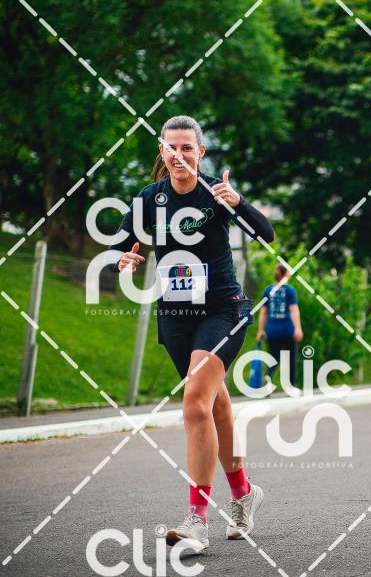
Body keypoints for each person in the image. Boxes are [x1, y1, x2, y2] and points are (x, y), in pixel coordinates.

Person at [111, 115, 275, 553]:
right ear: (162, 151)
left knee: (194, 403)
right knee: (214, 405)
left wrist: (239, 202)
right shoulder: (150, 198)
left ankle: (196, 519)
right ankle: (244, 494)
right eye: (171, 147)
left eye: (187, 147)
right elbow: (119, 244)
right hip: (176, 315)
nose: (179, 155)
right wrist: (123, 259)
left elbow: (266, 233)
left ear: (200, 152)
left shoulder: (215, 193)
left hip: (223, 310)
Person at [257, 263, 303, 387]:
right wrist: (298, 329)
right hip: (287, 330)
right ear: (286, 274)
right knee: (291, 359)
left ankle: (268, 377)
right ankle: (291, 386)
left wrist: (261, 330)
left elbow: (263, 312)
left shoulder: (268, 290)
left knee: (274, 358)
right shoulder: (289, 290)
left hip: (272, 331)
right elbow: (294, 311)